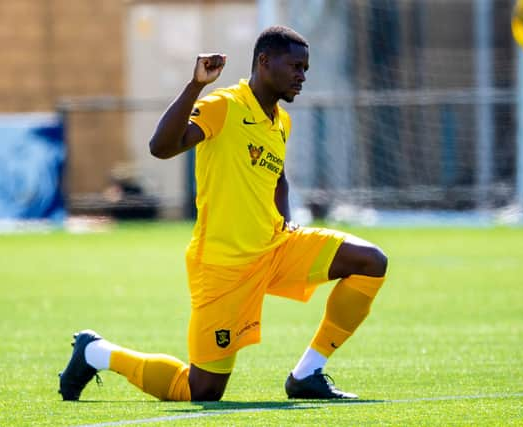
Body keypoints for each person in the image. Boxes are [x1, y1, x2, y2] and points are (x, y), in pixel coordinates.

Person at [58, 25, 387, 402]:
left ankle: (307, 374)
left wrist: (286, 218)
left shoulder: (281, 121)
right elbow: (160, 147)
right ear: (264, 62)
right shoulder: (224, 105)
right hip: (223, 267)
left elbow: (278, 177)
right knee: (201, 391)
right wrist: (196, 85)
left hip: (276, 248)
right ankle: (96, 353)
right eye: (295, 66)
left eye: (306, 68)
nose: (302, 76)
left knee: (370, 262)